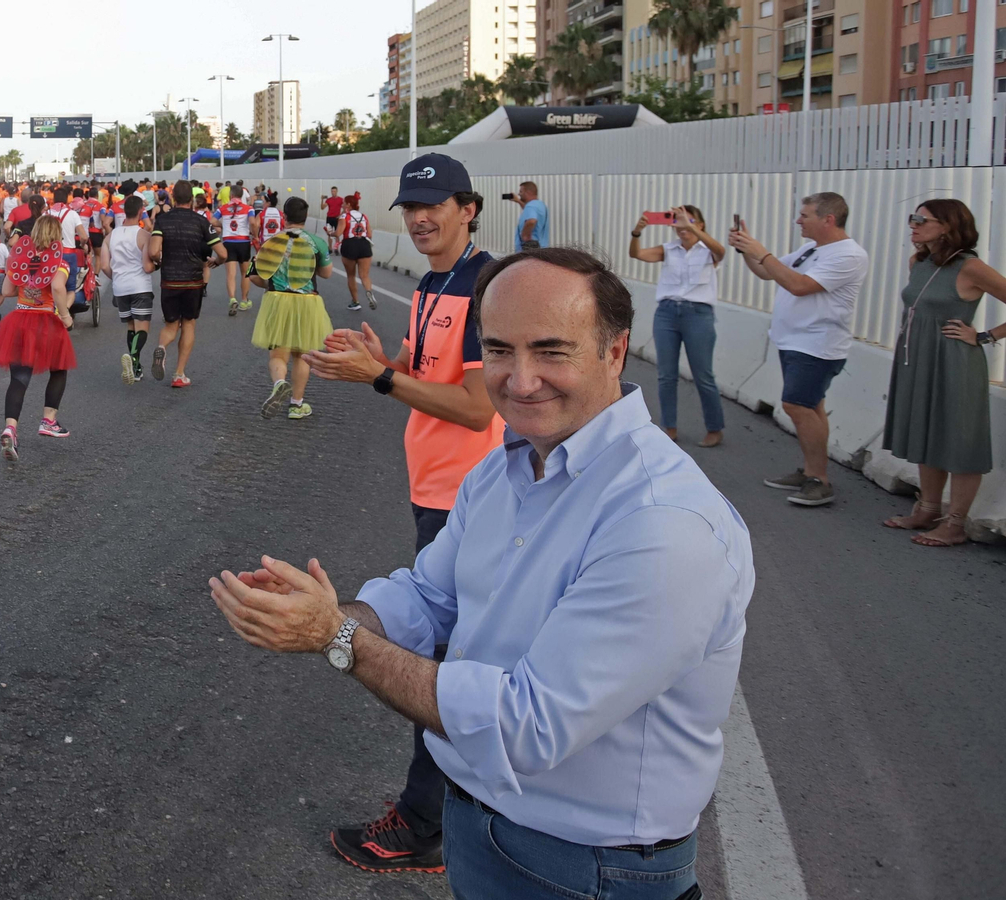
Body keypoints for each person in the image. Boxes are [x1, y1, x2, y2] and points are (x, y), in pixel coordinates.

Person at [211, 245, 754, 899]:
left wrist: (338, 638)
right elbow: (429, 596)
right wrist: (324, 611)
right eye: (498, 350)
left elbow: (526, 728)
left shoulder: (662, 521)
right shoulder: (504, 469)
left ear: (614, 352)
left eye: (552, 351)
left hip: (592, 869)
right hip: (479, 828)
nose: (520, 381)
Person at [302, 156, 498, 872]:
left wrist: (381, 378)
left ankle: (425, 825)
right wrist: (381, 358)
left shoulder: (482, 286)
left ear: (468, 208)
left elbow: (480, 409)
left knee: (444, 667)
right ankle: (447, 818)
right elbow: (424, 374)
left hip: (466, 499)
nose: (419, 217)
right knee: (452, 656)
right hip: (434, 492)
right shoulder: (433, 282)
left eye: (435, 204)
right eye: (411, 205)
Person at [880, 199, 1006, 547]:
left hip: (954, 361)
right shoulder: (918, 262)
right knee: (926, 431)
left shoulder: (970, 267)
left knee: (960, 440)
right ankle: (928, 508)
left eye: (922, 219)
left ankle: (955, 523)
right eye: (912, 218)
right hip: (918, 357)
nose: (913, 225)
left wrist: (984, 336)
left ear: (948, 226)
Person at [730, 192, 868, 507]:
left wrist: (761, 252)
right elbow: (771, 273)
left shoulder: (848, 255)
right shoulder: (812, 249)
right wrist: (747, 250)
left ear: (828, 219)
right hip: (795, 341)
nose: (798, 221)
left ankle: (819, 479)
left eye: (804, 215)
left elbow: (800, 286)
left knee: (797, 406)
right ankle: (811, 472)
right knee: (811, 407)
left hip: (817, 345)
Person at [0, 214, 79, 461]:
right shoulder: (60, 261)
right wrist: (66, 317)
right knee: (59, 368)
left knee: (19, 378)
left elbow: (6, 290)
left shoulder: (21, 259)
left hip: (20, 319)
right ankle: (49, 420)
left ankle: (10, 428)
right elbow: (58, 287)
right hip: (45, 320)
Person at [630, 205, 726, 448]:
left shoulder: (708, 251)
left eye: (689, 220)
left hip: (698, 314)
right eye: (677, 220)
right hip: (667, 313)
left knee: (703, 375)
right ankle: (669, 427)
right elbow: (637, 254)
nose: (682, 225)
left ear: (700, 224)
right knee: (666, 375)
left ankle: (714, 428)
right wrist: (637, 232)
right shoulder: (669, 249)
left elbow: (721, 251)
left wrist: (690, 226)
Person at [247, 197, 332, 420]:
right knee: (302, 355)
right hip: (307, 302)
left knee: (278, 354)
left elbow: (253, 276)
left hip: (277, 300)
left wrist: (273, 282)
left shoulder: (270, 242)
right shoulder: (317, 242)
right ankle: (296, 405)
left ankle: (279, 383)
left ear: (284, 216)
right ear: (306, 217)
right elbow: (326, 273)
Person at [149, 181, 226, 388]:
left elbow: (154, 251)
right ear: (191, 200)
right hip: (192, 281)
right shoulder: (200, 222)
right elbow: (223, 253)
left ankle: (162, 348)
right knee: (189, 324)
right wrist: (215, 262)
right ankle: (179, 374)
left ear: (173, 199)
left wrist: (160, 261)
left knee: (171, 325)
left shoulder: (162, 220)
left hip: (170, 281)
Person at [104, 194, 157, 384]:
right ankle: (133, 359)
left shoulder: (110, 236)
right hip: (140, 285)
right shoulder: (144, 235)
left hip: (120, 287)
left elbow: (103, 265)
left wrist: (116, 277)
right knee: (142, 327)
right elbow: (148, 267)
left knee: (131, 327)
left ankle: (136, 368)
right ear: (141, 212)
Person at [214, 186, 255, 315]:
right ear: (242, 195)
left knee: (231, 274)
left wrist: (224, 225)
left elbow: (211, 220)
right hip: (243, 242)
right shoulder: (249, 209)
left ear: (231, 195)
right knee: (245, 273)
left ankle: (232, 298)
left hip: (228, 242)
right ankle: (244, 300)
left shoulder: (223, 208)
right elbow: (253, 223)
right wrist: (254, 233)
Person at [338, 195, 376, 311]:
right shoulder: (364, 216)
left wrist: (331, 233)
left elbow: (338, 232)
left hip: (349, 245)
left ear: (349, 204)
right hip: (364, 245)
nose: (342, 205)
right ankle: (369, 291)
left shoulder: (345, 216)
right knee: (364, 275)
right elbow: (369, 234)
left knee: (351, 275)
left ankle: (355, 301)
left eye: (344, 203)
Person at [508, 181, 549, 251]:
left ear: (528, 192)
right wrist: (518, 201)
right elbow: (529, 211)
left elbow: (531, 221)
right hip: (540, 248)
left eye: (521, 191)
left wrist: (525, 236)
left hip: (529, 249)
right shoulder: (539, 204)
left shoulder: (530, 207)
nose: (518, 194)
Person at [323, 187, 345, 252]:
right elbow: (322, 207)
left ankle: (336, 248)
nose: (333, 193)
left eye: (334, 191)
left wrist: (340, 215)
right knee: (329, 233)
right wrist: (322, 200)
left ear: (337, 191)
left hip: (336, 218)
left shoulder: (340, 199)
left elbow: (344, 208)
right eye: (332, 191)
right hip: (329, 218)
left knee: (337, 234)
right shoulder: (329, 200)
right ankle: (330, 248)